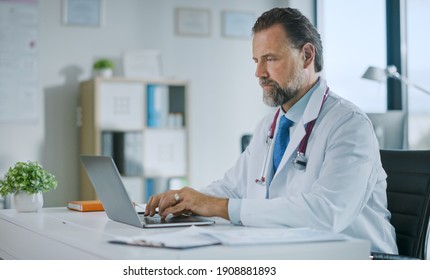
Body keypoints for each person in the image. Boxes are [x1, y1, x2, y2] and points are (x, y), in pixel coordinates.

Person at [145, 7, 398, 254]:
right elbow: (233, 188)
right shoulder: (269, 125)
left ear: (307, 56)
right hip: (292, 253)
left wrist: (218, 206)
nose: (259, 73)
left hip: (362, 259)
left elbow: (327, 212)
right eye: (257, 61)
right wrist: (185, 200)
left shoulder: (348, 124)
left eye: (270, 59)